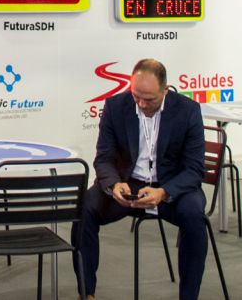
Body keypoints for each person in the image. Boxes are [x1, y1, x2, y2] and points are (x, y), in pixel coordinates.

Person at [74, 58, 207, 300]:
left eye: (150, 99)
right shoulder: (115, 106)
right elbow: (104, 158)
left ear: (165, 91)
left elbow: (194, 169)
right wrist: (114, 184)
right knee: (85, 208)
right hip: (128, 183)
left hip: (171, 186)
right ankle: (86, 293)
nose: (142, 104)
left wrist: (164, 192)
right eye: (136, 96)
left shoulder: (188, 111)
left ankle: (189, 297)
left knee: (194, 216)